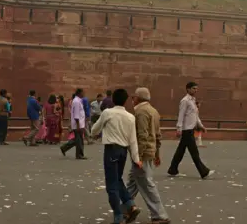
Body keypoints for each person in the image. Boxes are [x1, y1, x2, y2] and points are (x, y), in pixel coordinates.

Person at [90, 88, 142, 224]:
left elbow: (95, 129)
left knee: (111, 184)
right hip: (123, 151)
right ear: (125, 101)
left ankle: (118, 215)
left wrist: (93, 133)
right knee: (118, 179)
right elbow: (133, 141)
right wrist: (136, 159)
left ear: (113, 100)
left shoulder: (108, 113)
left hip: (111, 150)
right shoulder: (131, 117)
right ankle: (130, 204)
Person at [124, 87, 170, 224]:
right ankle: (125, 209)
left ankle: (159, 215)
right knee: (133, 182)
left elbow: (142, 136)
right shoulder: (153, 111)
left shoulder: (140, 112)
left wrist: (139, 157)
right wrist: (157, 153)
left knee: (147, 184)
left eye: (133, 97)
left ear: (137, 98)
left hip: (142, 153)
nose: (132, 100)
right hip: (150, 151)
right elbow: (157, 135)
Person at [167, 82, 214, 179]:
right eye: (193, 88)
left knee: (180, 151)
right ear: (188, 89)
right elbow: (181, 115)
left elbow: (195, 116)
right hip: (186, 130)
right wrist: (179, 128)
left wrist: (201, 126)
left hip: (190, 129)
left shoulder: (193, 101)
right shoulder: (185, 101)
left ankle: (173, 169)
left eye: (196, 88)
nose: (195, 90)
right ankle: (204, 172)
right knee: (194, 152)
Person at [60, 88, 86, 159]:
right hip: (78, 124)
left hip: (79, 123)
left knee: (78, 139)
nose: (84, 94)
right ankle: (79, 155)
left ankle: (64, 148)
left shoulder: (78, 101)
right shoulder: (77, 102)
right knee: (79, 140)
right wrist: (78, 125)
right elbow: (76, 114)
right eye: (83, 92)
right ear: (79, 93)